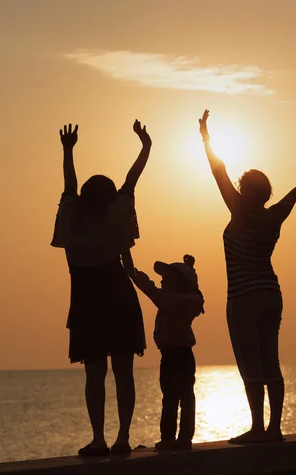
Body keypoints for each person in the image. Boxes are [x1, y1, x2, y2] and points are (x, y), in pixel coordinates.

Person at [199, 109, 296, 443]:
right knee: (271, 361)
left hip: (243, 297)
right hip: (271, 294)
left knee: (250, 363)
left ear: (244, 189)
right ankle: (275, 428)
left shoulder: (237, 209)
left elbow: (217, 170)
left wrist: (205, 136)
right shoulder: (274, 215)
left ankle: (256, 428)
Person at [51, 120, 152, 456]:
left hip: (86, 301)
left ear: (83, 198)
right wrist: (145, 146)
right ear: (110, 199)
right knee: (124, 372)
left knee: (95, 375)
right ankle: (122, 437)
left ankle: (98, 439)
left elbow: (69, 185)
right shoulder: (115, 217)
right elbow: (131, 179)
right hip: (119, 297)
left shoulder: (71, 219)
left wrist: (68, 150)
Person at [132, 255, 204, 450]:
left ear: (179, 283)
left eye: (168, 278)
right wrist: (191, 269)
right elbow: (194, 290)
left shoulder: (171, 300)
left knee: (171, 398)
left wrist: (133, 273)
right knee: (186, 396)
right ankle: (184, 438)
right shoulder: (190, 300)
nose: (162, 281)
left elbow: (149, 289)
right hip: (184, 356)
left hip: (173, 356)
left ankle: (169, 438)